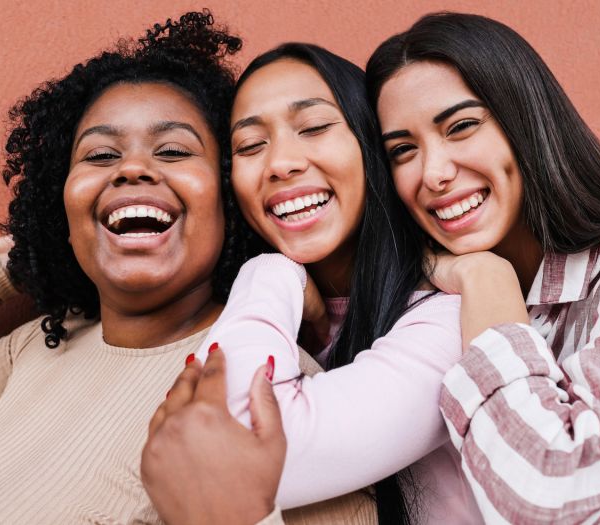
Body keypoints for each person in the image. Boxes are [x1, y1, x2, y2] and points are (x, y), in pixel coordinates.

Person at [144, 11, 600, 525]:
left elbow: (552, 492)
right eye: (402, 150)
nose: (435, 172)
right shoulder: (382, 306)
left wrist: (483, 281)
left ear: (526, 121)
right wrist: (278, 274)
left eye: (461, 126)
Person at [0, 12, 254, 523]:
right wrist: (3, 263)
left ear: (230, 194)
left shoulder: (269, 380)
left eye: (172, 149)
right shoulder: (38, 345)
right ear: (61, 202)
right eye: (100, 155)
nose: (132, 168)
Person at [142, 44, 479, 525]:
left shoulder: (449, 318)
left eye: (315, 127)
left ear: (370, 144)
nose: (280, 163)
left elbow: (230, 447)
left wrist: (269, 271)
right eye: (250, 146)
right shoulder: (272, 319)